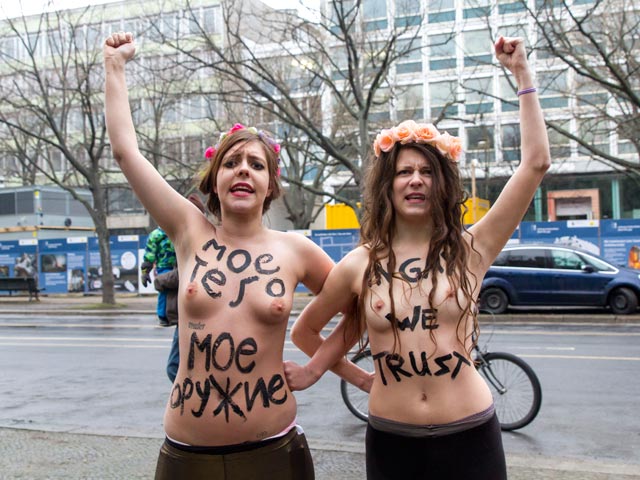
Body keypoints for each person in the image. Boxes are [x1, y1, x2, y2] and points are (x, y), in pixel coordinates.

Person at [103, 31, 369, 480]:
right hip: (187, 455)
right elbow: (126, 153)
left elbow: (363, 308)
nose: (243, 170)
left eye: (256, 164)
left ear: (270, 185)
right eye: (231, 163)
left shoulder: (297, 250)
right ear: (215, 180)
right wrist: (114, 66)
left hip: (273, 451)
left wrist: (324, 370)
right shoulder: (188, 231)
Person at [284, 36, 550, 480]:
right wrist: (358, 378)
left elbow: (536, 164)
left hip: (471, 436)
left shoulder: (473, 248)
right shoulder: (359, 264)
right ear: (387, 186)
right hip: (391, 440)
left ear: (441, 183)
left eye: (427, 171)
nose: (415, 180)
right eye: (404, 171)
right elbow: (305, 331)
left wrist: (522, 73)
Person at [141, 226, 176, 327]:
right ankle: (163, 315)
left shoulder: (175, 229)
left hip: (178, 266)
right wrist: (145, 272)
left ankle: (168, 315)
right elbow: (149, 255)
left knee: (173, 291)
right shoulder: (157, 235)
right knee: (165, 290)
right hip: (164, 267)